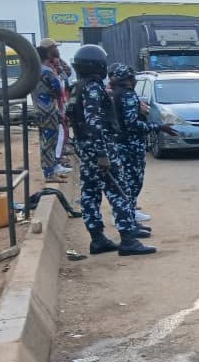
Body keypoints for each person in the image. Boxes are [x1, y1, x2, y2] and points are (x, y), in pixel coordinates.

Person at [66, 45, 155, 256]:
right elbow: (94, 122)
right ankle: (128, 240)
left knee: (90, 192)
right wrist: (102, 154)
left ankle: (98, 239)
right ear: (97, 65)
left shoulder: (77, 87)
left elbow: (72, 119)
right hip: (101, 147)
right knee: (119, 191)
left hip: (85, 147)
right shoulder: (93, 88)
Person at [108, 64, 177, 230]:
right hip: (130, 145)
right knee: (133, 182)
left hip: (121, 144)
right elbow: (132, 125)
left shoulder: (116, 94)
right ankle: (126, 218)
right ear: (129, 79)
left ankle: (129, 214)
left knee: (127, 182)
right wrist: (158, 127)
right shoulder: (127, 94)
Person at [31, 46, 68, 183]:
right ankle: (50, 173)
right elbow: (58, 90)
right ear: (48, 57)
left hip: (38, 110)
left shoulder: (32, 72)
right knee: (50, 142)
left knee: (44, 141)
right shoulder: (47, 72)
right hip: (49, 111)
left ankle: (49, 170)